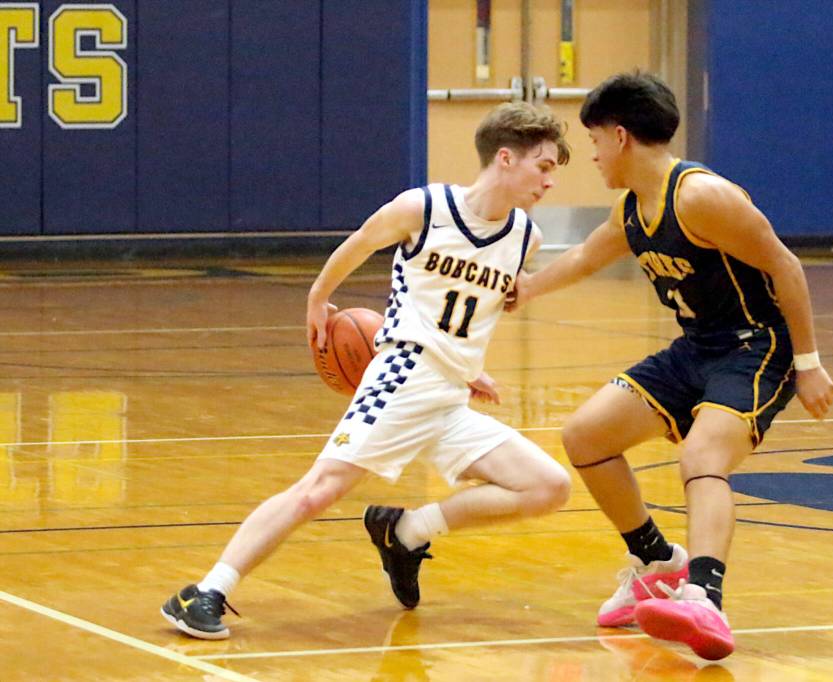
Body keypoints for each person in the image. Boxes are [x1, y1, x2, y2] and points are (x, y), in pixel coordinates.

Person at [161, 102, 572, 639]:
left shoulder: (525, 238)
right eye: (543, 166)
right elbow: (359, 244)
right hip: (402, 375)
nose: (549, 181)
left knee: (548, 486)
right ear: (505, 158)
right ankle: (205, 591)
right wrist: (317, 299)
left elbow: (467, 305)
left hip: (449, 394)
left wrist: (468, 367)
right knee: (318, 491)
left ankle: (404, 531)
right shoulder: (422, 208)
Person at [506, 72, 833, 660]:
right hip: (697, 346)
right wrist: (526, 289)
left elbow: (787, 268)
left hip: (757, 346)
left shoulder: (702, 197)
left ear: (620, 136)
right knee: (585, 435)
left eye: (592, 141)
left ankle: (704, 596)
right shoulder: (634, 207)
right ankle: (658, 561)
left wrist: (810, 363)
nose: (590, 155)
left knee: (702, 456)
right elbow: (588, 255)